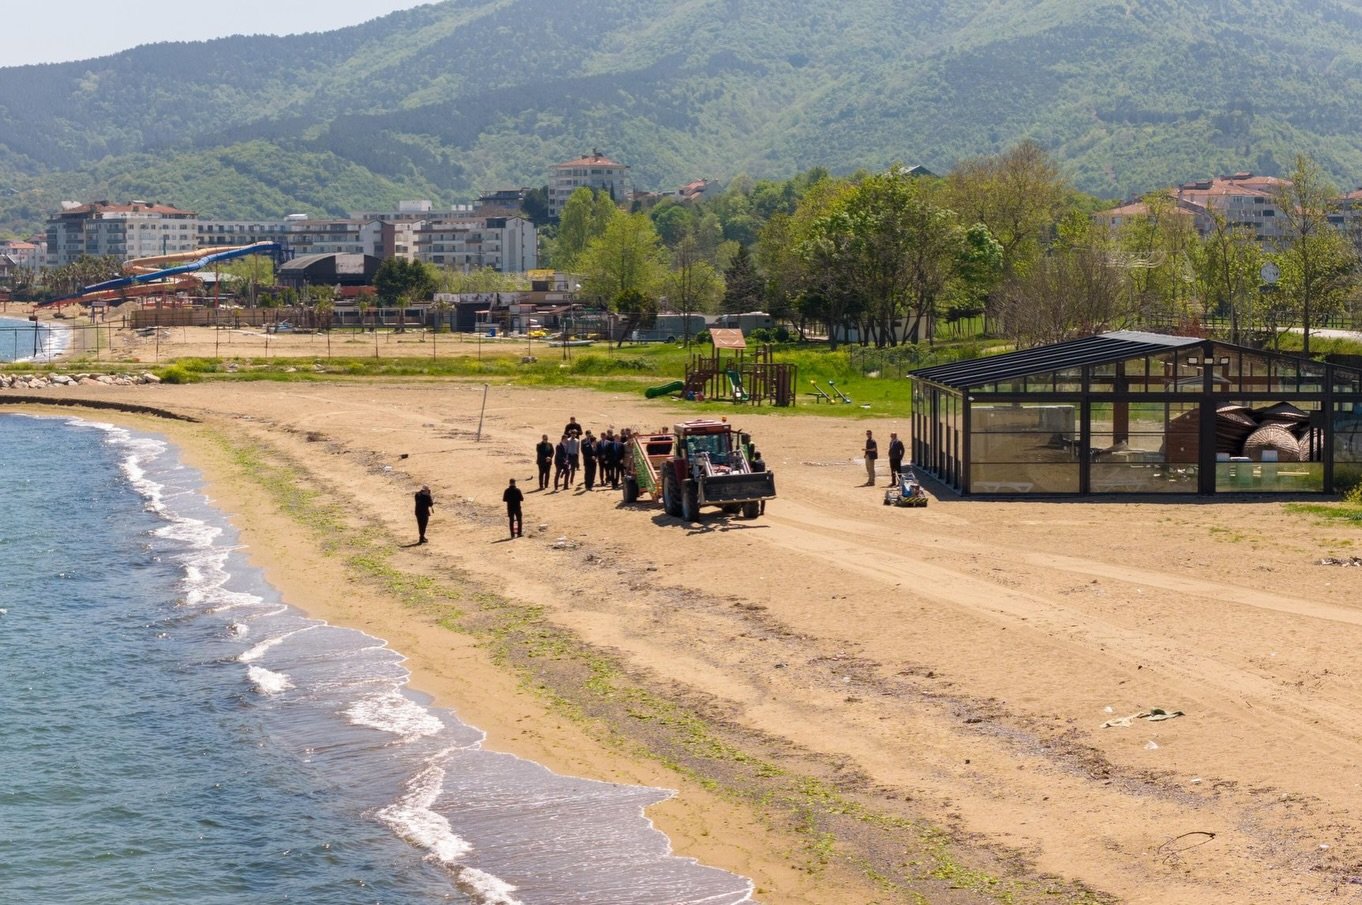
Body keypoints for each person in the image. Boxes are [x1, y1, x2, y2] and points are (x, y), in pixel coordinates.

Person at [749, 448, 767, 515]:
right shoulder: (763, 462)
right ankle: (762, 511)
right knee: (763, 497)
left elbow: (751, 470)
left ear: (755, 456)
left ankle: (755, 509)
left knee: (755, 495)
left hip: (756, 479)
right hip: (762, 479)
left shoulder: (754, 462)